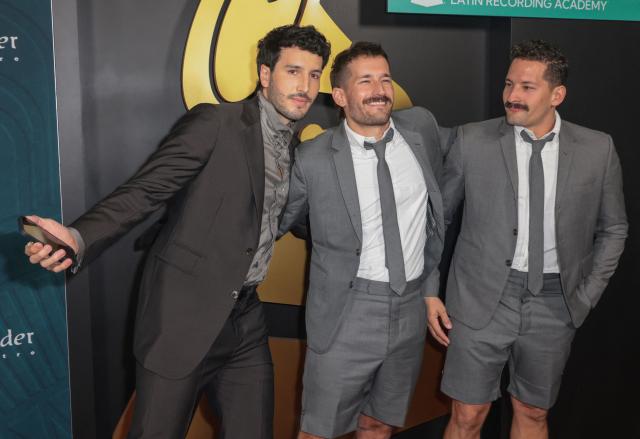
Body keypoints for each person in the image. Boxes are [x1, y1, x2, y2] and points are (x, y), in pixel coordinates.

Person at [24, 25, 330, 439]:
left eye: (314, 75)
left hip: (245, 321)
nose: (305, 86)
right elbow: (145, 190)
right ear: (264, 74)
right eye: (293, 71)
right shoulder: (216, 123)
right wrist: (79, 237)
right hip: (181, 318)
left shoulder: (298, 150)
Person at [430, 40, 628, 439]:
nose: (512, 96)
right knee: (467, 415)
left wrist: (585, 295)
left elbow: (614, 228)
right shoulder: (472, 141)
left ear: (557, 95)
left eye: (526, 87)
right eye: (508, 85)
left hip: (555, 303)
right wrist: (429, 290)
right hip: (480, 298)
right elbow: (438, 220)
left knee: (533, 413)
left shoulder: (597, 148)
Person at [279, 42, 445, 439]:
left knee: (378, 424)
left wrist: (430, 289)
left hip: (409, 308)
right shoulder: (313, 158)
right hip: (346, 311)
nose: (379, 89)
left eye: (385, 78)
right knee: (318, 431)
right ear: (339, 96)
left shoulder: (421, 128)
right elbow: (285, 220)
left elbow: (435, 216)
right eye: (365, 80)